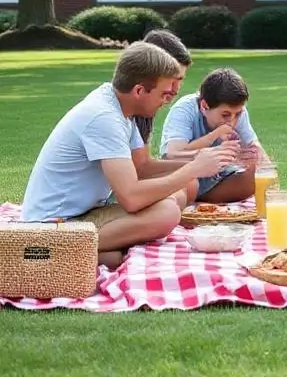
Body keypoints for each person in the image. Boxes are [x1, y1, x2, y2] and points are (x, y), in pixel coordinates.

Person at [22, 42, 239, 269]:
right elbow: (131, 198)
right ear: (139, 91)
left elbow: (142, 166)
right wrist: (193, 169)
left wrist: (199, 158)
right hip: (53, 224)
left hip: (85, 214)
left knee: (169, 203)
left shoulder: (118, 107)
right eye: (163, 94)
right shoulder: (104, 117)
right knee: (166, 213)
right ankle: (51, 250)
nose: (167, 101)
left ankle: (102, 253)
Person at [160, 67, 270, 204]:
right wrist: (215, 136)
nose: (232, 121)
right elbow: (172, 155)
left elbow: (257, 150)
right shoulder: (184, 109)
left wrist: (255, 160)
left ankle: (202, 200)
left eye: (238, 114)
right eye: (225, 115)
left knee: (256, 175)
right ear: (204, 106)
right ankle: (198, 197)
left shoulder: (236, 112)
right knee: (190, 185)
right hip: (186, 175)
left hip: (220, 176)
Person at [130, 29, 198, 180]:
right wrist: (196, 164)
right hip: (111, 198)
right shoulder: (122, 110)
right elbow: (141, 170)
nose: (175, 89)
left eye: (180, 80)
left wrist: (199, 162)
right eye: (171, 80)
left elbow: (144, 164)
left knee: (188, 184)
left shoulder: (145, 109)